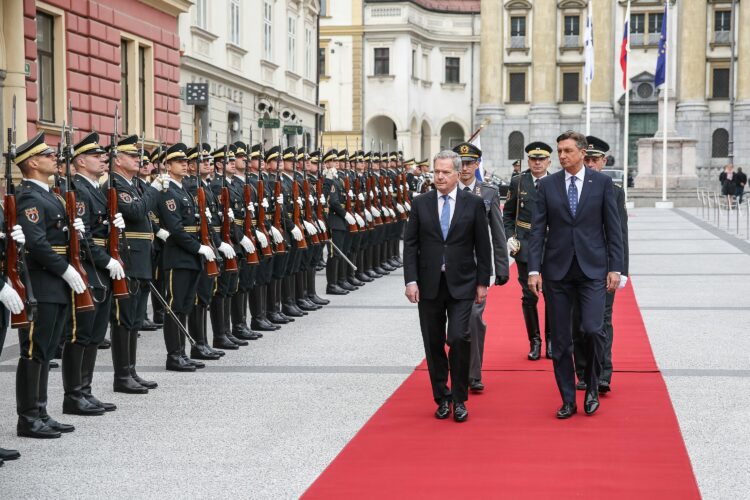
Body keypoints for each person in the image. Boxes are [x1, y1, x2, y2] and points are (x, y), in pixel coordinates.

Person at [527, 130, 623, 419]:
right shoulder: (548, 186)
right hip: (557, 272)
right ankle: (567, 398)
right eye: (559, 151)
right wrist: (534, 269)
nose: (562, 156)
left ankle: (592, 386)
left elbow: (613, 229)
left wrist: (616, 267)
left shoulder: (603, 184)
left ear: (582, 152)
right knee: (561, 341)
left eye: (567, 150)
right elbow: (537, 231)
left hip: (593, 269)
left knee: (593, 330)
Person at [403, 150, 492, 423]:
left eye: (445, 172)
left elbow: (482, 245)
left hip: (463, 283)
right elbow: (411, 245)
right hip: (429, 284)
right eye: (436, 172)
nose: (439, 177)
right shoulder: (420, 203)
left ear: (457, 173)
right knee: (433, 343)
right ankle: (442, 397)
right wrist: (411, 280)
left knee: (457, 338)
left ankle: (460, 398)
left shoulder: (473, 203)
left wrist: (482, 282)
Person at [14, 132, 86, 438]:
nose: (54, 158)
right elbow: (37, 243)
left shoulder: (52, 194)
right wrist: (65, 269)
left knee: (45, 351)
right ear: (32, 162)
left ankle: (41, 411)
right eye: (48, 155)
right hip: (41, 280)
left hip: (55, 282)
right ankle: (28, 417)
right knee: (34, 350)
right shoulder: (30, 196)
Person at [62, 132, 123, 415]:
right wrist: (105, 259)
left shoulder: (96, 189)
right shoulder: (79, 190)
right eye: (97, 156)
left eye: (103, 155)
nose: (103, 159)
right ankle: (74, 396)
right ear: (80, 161)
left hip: (101, 268)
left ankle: (85, 391)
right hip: (90, 268)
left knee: (96, 334)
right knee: (82, 334)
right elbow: (83, 239)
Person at [573, 136, 630, 394]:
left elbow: (620, 233)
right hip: (575, 266)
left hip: (603, 267)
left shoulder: (614, 191)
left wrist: (620, 269)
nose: (591, 164)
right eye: (587, 159)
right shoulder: (569, 188)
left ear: (604, 161)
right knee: (579, 322)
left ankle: (603, 372)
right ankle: (583, 371)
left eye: (595, 160)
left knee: (602, 321)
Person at [452, 142, 509, 392]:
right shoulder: (444, 190)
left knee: (474, 318)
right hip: (449, 267)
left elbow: (497, 232)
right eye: (461, 163)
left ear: (477, 165)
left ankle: (472, 374)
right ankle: (457, 365)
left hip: (476, 268)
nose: (464, 168)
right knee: (454, 326)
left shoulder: (487, 192)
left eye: (469, 163)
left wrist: (502, 266)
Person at [503, 141, 553, 360]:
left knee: (552, 296)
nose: (537, 163)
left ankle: (552, 340)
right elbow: (507, 214)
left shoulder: (556, 182)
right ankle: (535, 341)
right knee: (529, 295)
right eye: (533, 159)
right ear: (529, 160)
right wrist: (509, 237)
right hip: (525, 242)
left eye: (542, 159)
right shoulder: (518, 181)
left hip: (551, 244)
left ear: (549, 161)